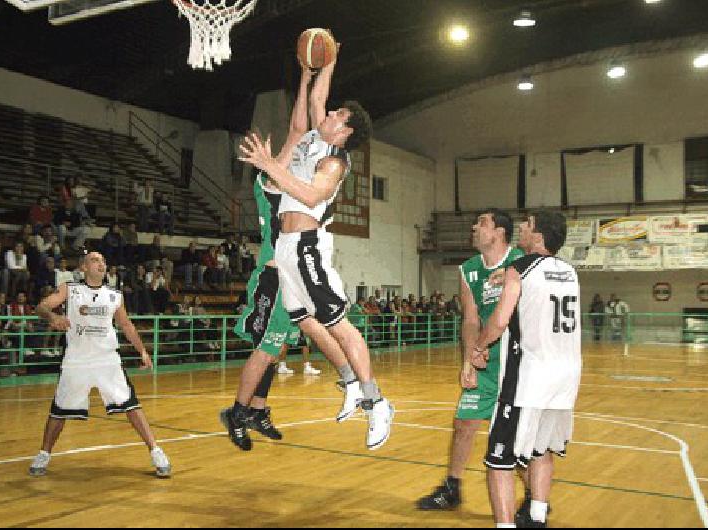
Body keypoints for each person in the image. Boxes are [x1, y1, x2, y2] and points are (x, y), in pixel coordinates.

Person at [238, 44, 393, 450]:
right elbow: (316, 98)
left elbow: (310, 196)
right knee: (304, 319)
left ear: (346, 132)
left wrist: (270, 166)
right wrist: (328, 61)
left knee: (338, 323)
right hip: (286, 247)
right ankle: (348, 382)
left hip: (307, 246)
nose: (330, 113)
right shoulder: (313, 139)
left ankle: (376, 401)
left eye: (339, 115)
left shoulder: (334, 162)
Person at [221, 61, 362, 453]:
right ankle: (239, 412)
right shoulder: (270, 182)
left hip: (288, 270)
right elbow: (298, 130)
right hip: (272, 273)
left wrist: (304, 76)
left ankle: (259, 409)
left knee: (279, 345)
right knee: (274, 344)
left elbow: (302, 127)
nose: (296, 146)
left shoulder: (285, 174)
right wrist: (305, 80)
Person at [471, 211, 581, 528]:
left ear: (538, 235)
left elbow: (500, 321)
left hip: (530, 377)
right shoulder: (569, 271)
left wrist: (479, 347)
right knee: (540, 448)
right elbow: (538, 277)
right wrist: (506, 274)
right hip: (566, 377)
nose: (521, 227)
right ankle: (536, 517)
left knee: (499, 461)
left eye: (527, 224)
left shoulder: (520, 269)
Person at [28, 252, 171, 478]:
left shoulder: (114, 295)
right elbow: (41, 307)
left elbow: (126, 325)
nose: (101, 264)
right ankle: (44, 454)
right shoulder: (70, 289)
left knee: (131, 405)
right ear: (84, 267)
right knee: (58, 410)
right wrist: (52, 318)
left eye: (103, 261)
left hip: (106, 359)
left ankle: (156, 451)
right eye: (95, 260)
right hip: (77, 358)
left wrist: (142, 351)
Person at [417, 210, 523, 511]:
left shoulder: (521, 261)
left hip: (518, 360)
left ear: (499, 232)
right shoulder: (469, 270)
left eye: (482, 224)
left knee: (516, 436)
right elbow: (471, 320)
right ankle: (452, 488)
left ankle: (533, 496)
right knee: (464, 422)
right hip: (484, 358)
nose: (474, 228)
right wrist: (468, 359)